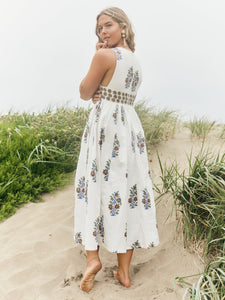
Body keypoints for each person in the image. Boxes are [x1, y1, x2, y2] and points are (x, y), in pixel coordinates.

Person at [74, 7, 159, 293]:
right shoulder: (136, 61)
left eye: (107, 25)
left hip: (104, 127)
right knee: (127, 190)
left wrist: (95, 64)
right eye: (99, 29)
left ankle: (92, 259)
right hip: (130, 128)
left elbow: (86, 91)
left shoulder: (103, 55)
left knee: (95, 185)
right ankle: (123, 271)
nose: (102, 32)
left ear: (123, 26)